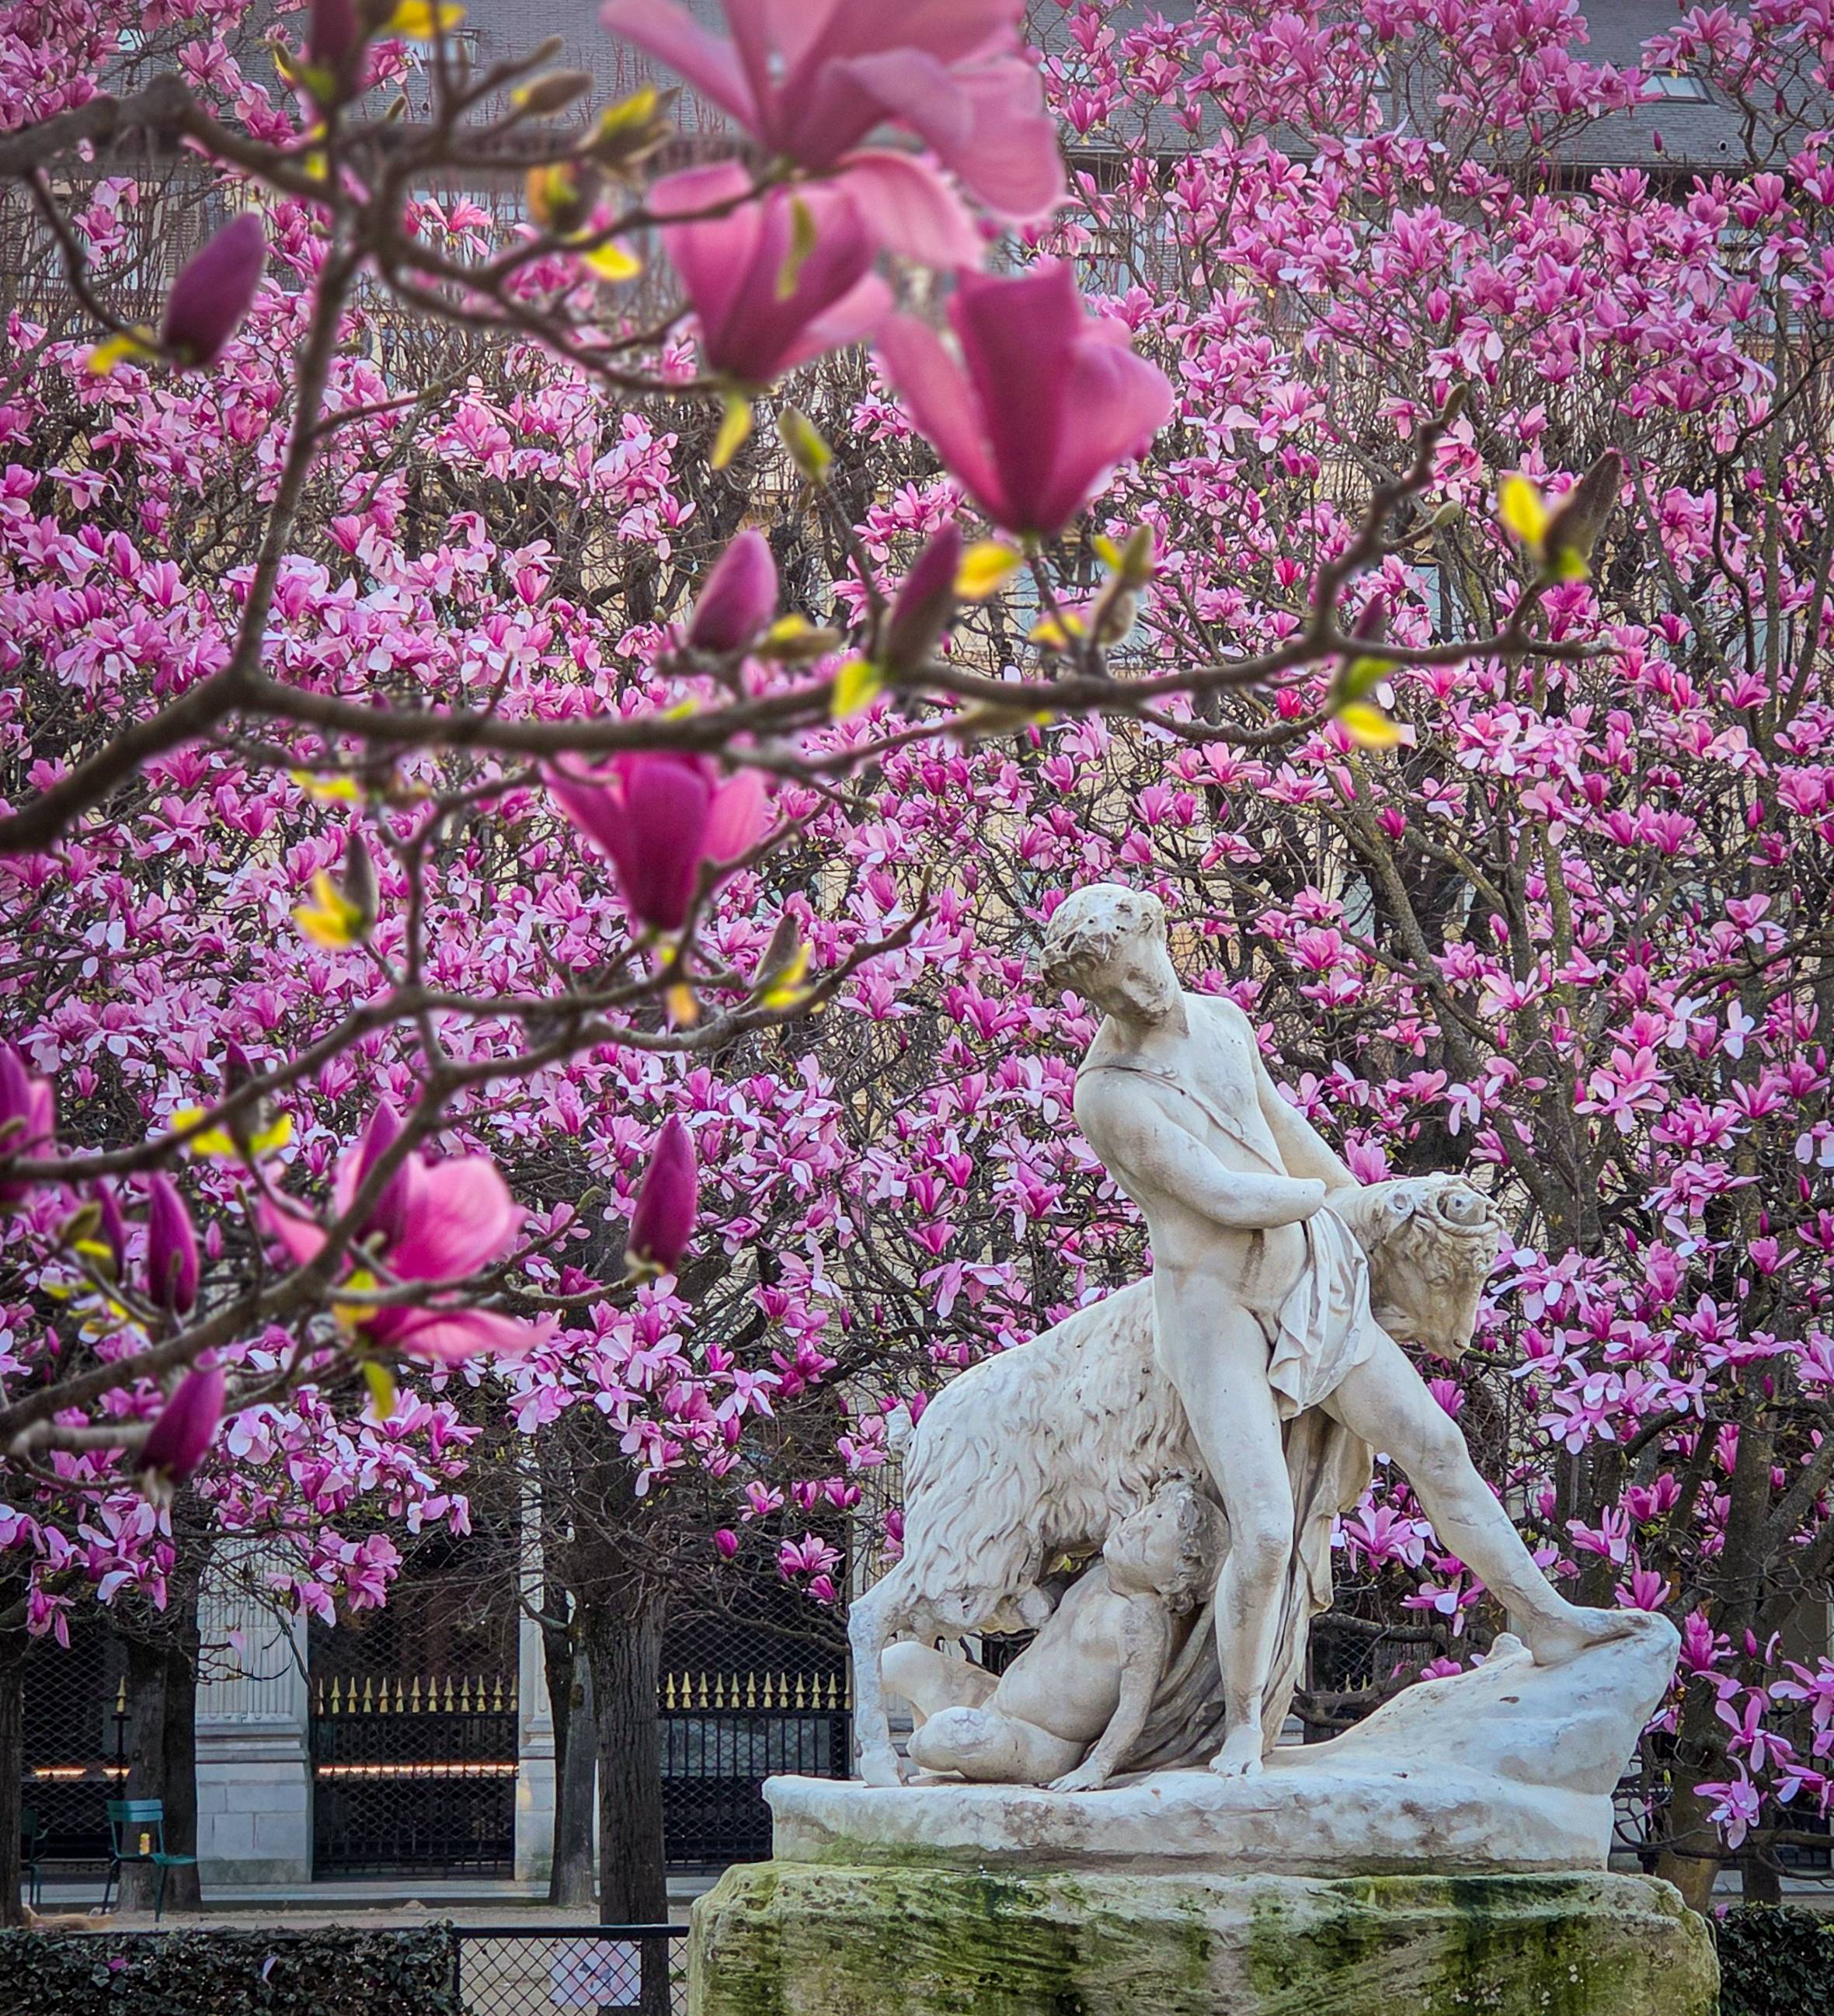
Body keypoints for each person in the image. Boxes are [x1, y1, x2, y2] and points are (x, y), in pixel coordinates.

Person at [1039, 883, 1636, 1778]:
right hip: (1214, 1315)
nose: (1140, 997)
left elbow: (1284, 1132)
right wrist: (1360, 1206)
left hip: (1303, 1278)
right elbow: (1225, 1194)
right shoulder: (1108, 1094)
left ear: (1161, 936)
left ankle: (1546, 1619)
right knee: (1266, 1529)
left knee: (1434, 1443)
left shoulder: (1223, 1022)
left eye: (1141, 972)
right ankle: (1244, 1723)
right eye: (1115, 994)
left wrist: (1370, 1207)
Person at [881, 1477, 1225, 1789]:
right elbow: (1048, 1604)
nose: (1133, 1530)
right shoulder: (1098, 1573)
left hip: (1034, 1745)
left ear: (1170, 1583)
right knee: (898, 1660)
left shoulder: (1142, 1622)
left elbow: (1132, 1711)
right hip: (993, 1700)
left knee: (955, 1732)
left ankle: (931, 1756)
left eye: (1148, 1542)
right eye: (1145, 1517)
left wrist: (1096, 1767)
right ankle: (936, 1757)